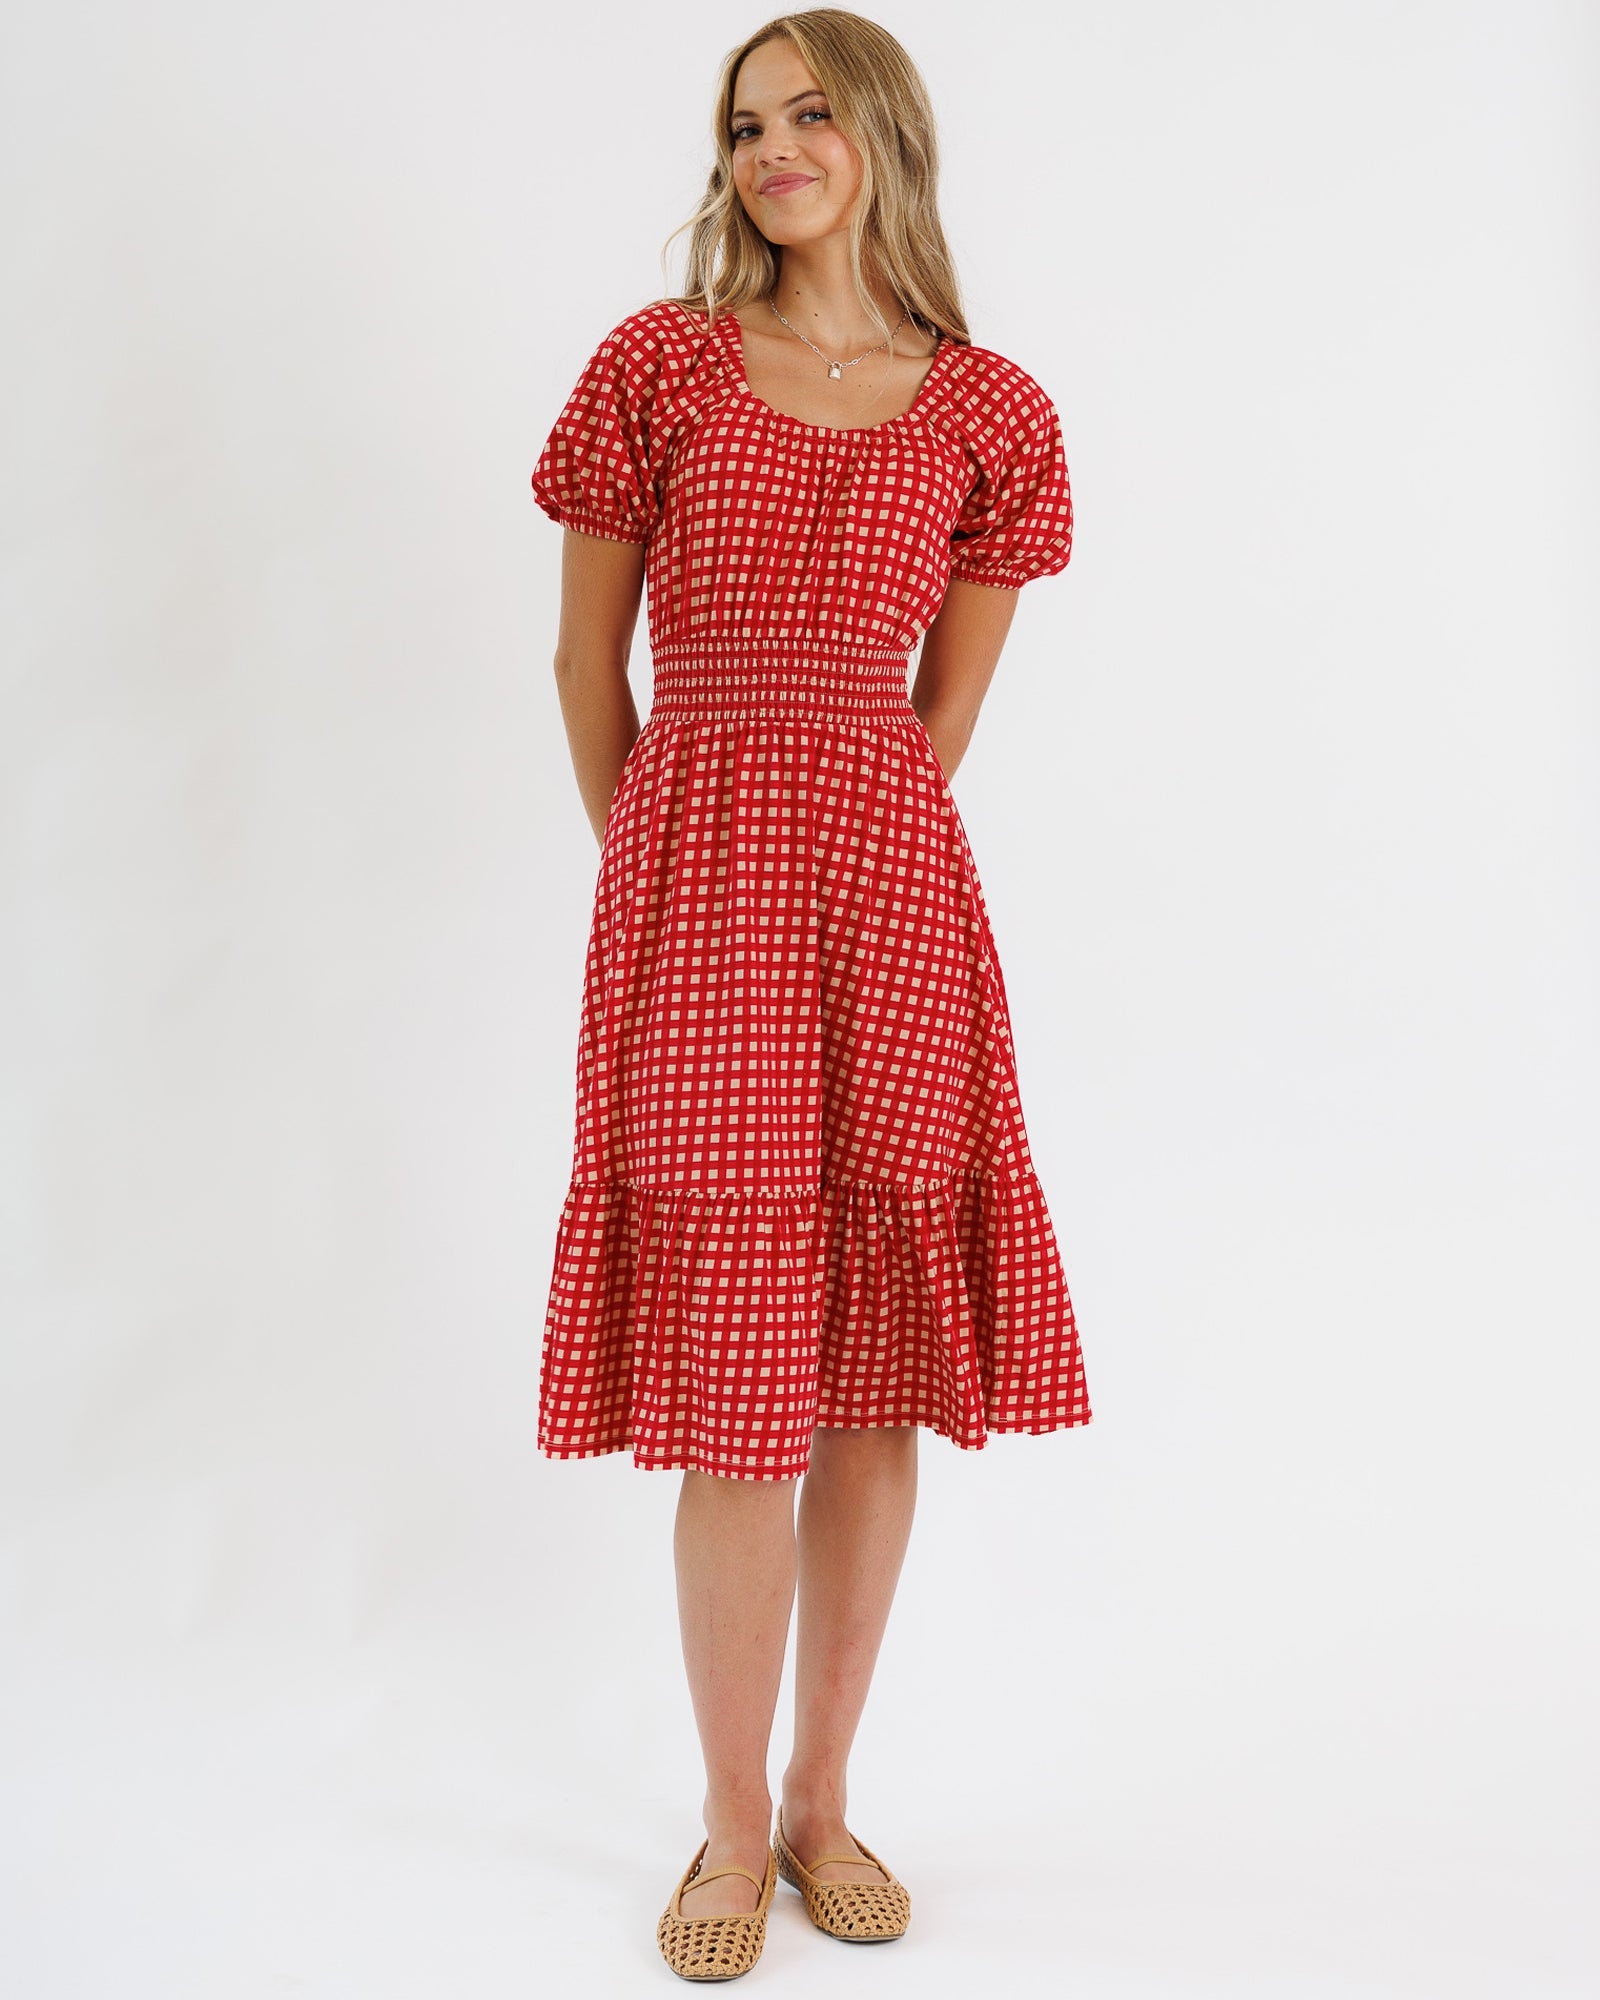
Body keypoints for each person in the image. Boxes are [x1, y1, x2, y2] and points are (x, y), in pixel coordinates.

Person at [529, 8, 1094, 1980]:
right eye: (740, 124)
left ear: (881, 137)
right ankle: (721, 1809)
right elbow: (585, 671)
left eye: (805, 112)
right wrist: (667, 869)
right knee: (731, 1390)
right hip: (694, 901)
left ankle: (825, 1795)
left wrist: (844, 842)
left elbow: (939, 717)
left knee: (872, 1383)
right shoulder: (660, 366)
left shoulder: (985, 412)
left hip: (894, 905)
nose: (768, 148)